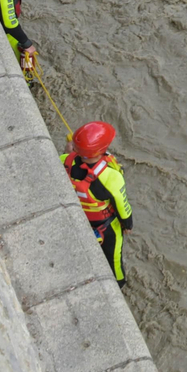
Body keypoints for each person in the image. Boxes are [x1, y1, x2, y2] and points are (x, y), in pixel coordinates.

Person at [64, 121, 134, 288]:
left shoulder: (65, 161)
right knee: (114, 259)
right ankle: (119, 286)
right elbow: (122, 205)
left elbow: (69, 159)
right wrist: (127, 224)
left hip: (80, 218)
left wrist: (70, 152)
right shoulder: (111, 177)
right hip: (106, 227)